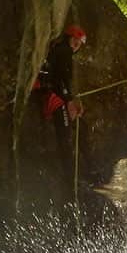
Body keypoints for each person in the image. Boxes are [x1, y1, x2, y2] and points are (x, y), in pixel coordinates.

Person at [33, 24, 87, 198]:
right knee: (65, 138)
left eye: (79, 43)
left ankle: (70, 177)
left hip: (50, 94)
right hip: (54, 97)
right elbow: (60, 80)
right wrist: (69, 101)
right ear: (70, 39)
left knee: (66, 136)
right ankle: (70, 181)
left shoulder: (58, 49)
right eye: (76, 42)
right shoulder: (64, 53)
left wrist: (71, 99)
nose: (77, 46)